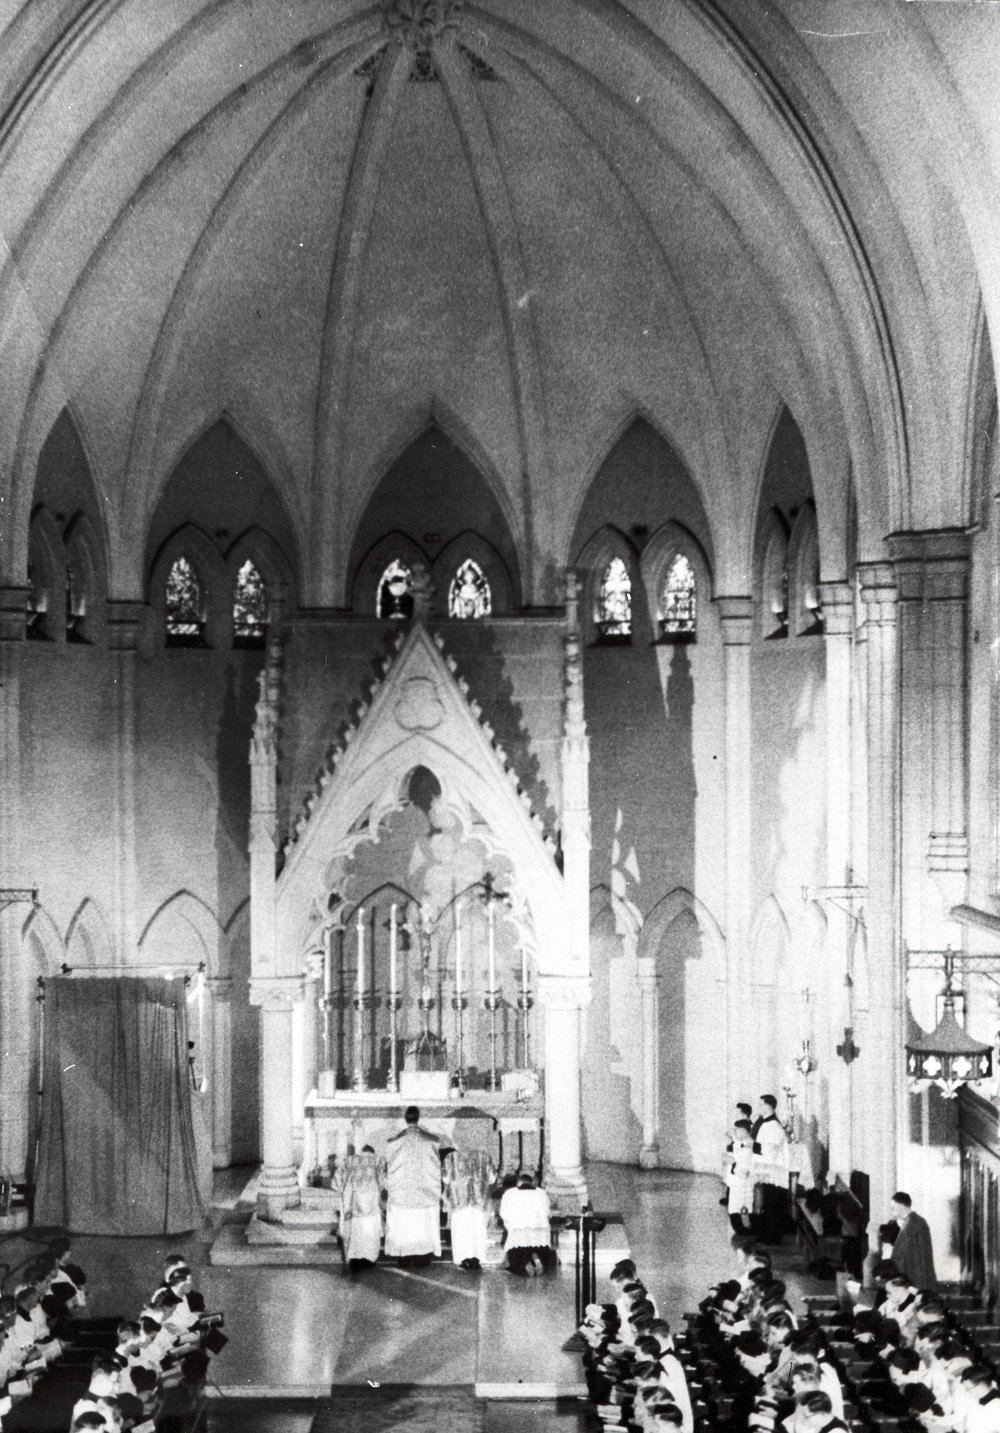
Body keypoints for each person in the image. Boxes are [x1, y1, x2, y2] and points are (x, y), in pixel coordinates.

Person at [384, 1105, 443, 1266]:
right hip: (424, 1193)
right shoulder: (431, 1141)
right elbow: (435, 1167)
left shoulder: (394, 1142)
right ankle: (422, 1258)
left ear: (406, 1118)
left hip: (402, 1193)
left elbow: (391, 1167)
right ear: (418, 1118)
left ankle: (403, 1257)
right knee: (421, 1227)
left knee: (404, 1226)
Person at [442, 1146, 496, 1270]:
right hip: (479, 1200)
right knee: (478, 1230)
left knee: (462, 1230)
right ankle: (477, 1259)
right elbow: (492, 1179)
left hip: (459, 1200)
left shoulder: (451, 1157)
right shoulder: (484, 1156)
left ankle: (463, 1258)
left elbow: (445, 1179)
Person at [334, 1145, 385, 1271]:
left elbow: (336, 1181)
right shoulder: (378, 1160)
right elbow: (383, 1183)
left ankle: (355, 1260)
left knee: (356, 1234)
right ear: (372, 1153)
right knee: (370, 1233)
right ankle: (369, 1260)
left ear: (361, 1152)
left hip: (354, 1206)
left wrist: (345, 1193)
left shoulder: (350, 1160)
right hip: (372, 1206)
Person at [498, 1170, 555, 1276]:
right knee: (535, 1244)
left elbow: (504, 1214)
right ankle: (536, 1258)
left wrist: (510, 1225)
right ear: (532, 1182)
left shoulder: (510, 1193)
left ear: (519, 1183)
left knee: (516, 1250)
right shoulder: (541, 1193)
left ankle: (525, 1264)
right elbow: (548, 1213)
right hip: (539, 1228)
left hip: (518, 1228)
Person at [752, 1095, 790, 1243]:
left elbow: (770, 1150)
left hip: (774, 1171)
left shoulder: (773, 1125)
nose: (759, 1107)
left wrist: (751, 1145)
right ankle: (766, 1234)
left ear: (768, 1106)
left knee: (772, 1203)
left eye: (761, 1105)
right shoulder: (766, 1123)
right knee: (768, 1202)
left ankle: (772, 1236)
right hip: (768, 1170)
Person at [887, 1191, 936, 1290]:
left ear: (901, 1206)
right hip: (910, 1275)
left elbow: (921, 1256)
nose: (893, 1212)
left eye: (893, 1208)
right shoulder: (910, 1222)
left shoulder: (916, 1223)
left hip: (915, 1277)